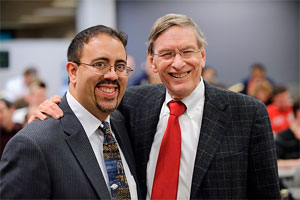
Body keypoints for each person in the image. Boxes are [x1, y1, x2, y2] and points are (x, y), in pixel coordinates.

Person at [30, 14, 281, 199]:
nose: (178, 63)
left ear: (202, 55)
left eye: (187, 52)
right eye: (167, 54)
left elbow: (266, 194)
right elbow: (87, 104)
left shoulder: (248, 113)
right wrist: (52, 110)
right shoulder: (131, 105)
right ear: (152, 61)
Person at [0, 25, 140, 199]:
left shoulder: (123, 124)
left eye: (120, 66)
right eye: (100, 64)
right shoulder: (33, 145)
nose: (112, 75)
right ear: (73, 72)